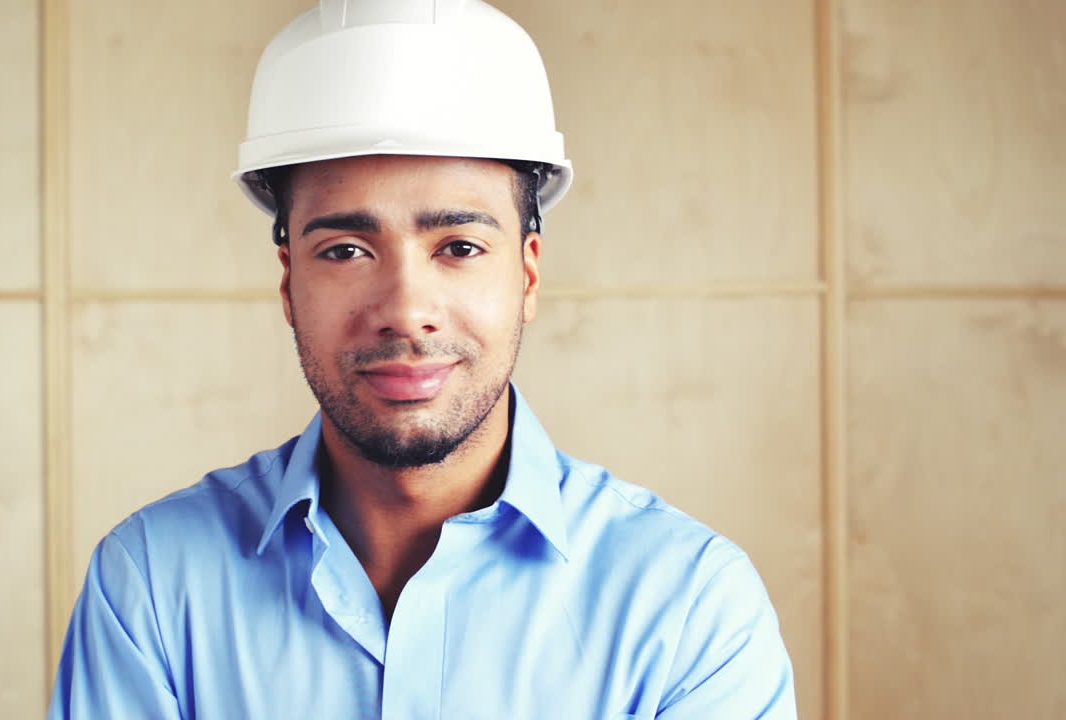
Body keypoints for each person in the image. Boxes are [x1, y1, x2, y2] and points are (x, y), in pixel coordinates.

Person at [48, 1, 797, 718]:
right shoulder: (151, 585)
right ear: (288, 282)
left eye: (460, 248)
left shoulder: (688, 605)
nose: (406, 310)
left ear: (527, 275)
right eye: (345, 250)